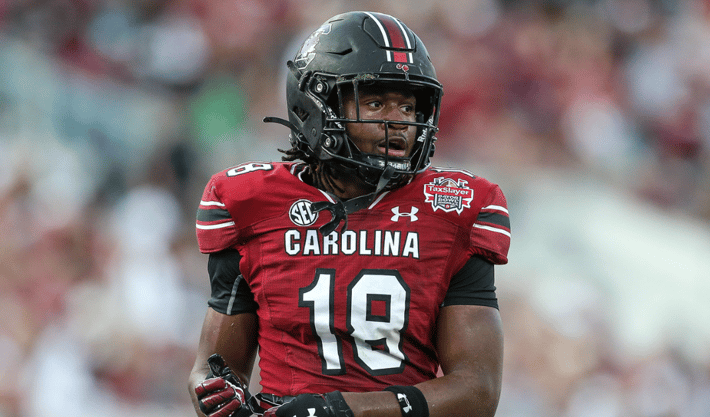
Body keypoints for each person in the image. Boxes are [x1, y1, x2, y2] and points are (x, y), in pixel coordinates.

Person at [188, 10, 511, 417]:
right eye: (375, 103)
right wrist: (219, 399)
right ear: (315, 103)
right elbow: (212, 368)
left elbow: (478, 391)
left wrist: (342, 410)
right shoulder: (249, 201)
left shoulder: (455, 206)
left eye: (409, 108)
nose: (398, 123)